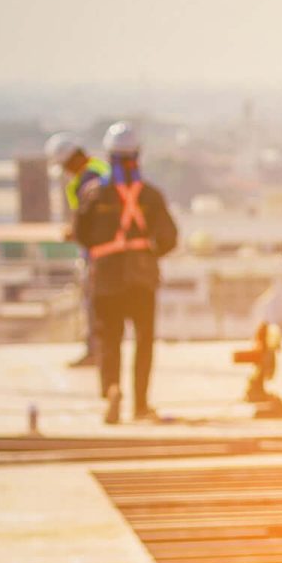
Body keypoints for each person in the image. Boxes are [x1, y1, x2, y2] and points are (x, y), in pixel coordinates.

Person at [72, 122, 177, 424]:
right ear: (138, 154)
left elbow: (81, 234)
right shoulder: (151, 195)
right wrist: (148, 253)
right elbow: (169, 237)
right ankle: (141, 404)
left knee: (108, 339)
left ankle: (112, 390)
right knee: (144, 341)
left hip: (106, 278)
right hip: (142, 277)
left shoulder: (94, 193)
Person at [46, 131, 109, 368]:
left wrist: (75, 232)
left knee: (94, 303)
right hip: (106, 250)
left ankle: (95, 350)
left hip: (96, 252)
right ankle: (100, 350)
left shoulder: (88, 179)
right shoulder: (101, 170)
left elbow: (89, 220)